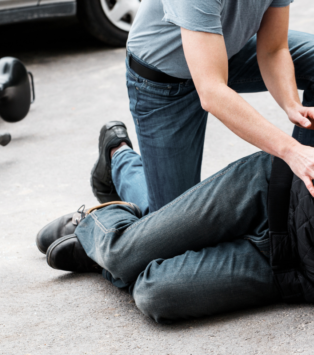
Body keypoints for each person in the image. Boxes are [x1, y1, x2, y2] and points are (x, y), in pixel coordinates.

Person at [91, 0, 314, 215]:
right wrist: (291, 150)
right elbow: (212, 92)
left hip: (225, 50)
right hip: (164, 82)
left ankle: (299, 193)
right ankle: (118, 158)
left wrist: (292, 104)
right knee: (173, 227)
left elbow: (273, 49)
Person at [37, 134, 314, 323]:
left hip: (293, 267)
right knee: (120, 252)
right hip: (273, 191)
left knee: (153, 294)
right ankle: (101, 216)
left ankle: (107, 248)